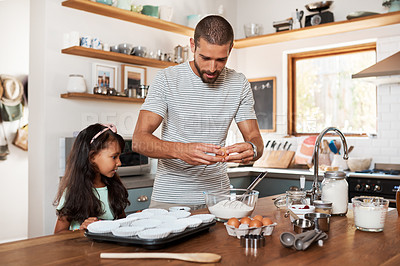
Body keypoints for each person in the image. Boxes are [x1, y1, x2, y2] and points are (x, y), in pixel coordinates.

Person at [132, 15, 263, 210]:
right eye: (205, 58)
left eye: (221, 59)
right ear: (193, 45)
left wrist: (252, 149)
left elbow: (255, 139)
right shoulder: (167, 79)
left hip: (218, 200)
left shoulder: (239, 83)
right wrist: (181, 151)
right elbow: (139, 141)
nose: (212, 68)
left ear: (230, 49)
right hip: (170, 199)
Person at [53, 123, 130, 233]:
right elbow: (58, 233)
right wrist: (80, 231)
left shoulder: (114, 188)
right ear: (92, 157)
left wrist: (132, 221)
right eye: (114, 157)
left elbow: (121, 223)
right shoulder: (73, 192)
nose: (119, 163)